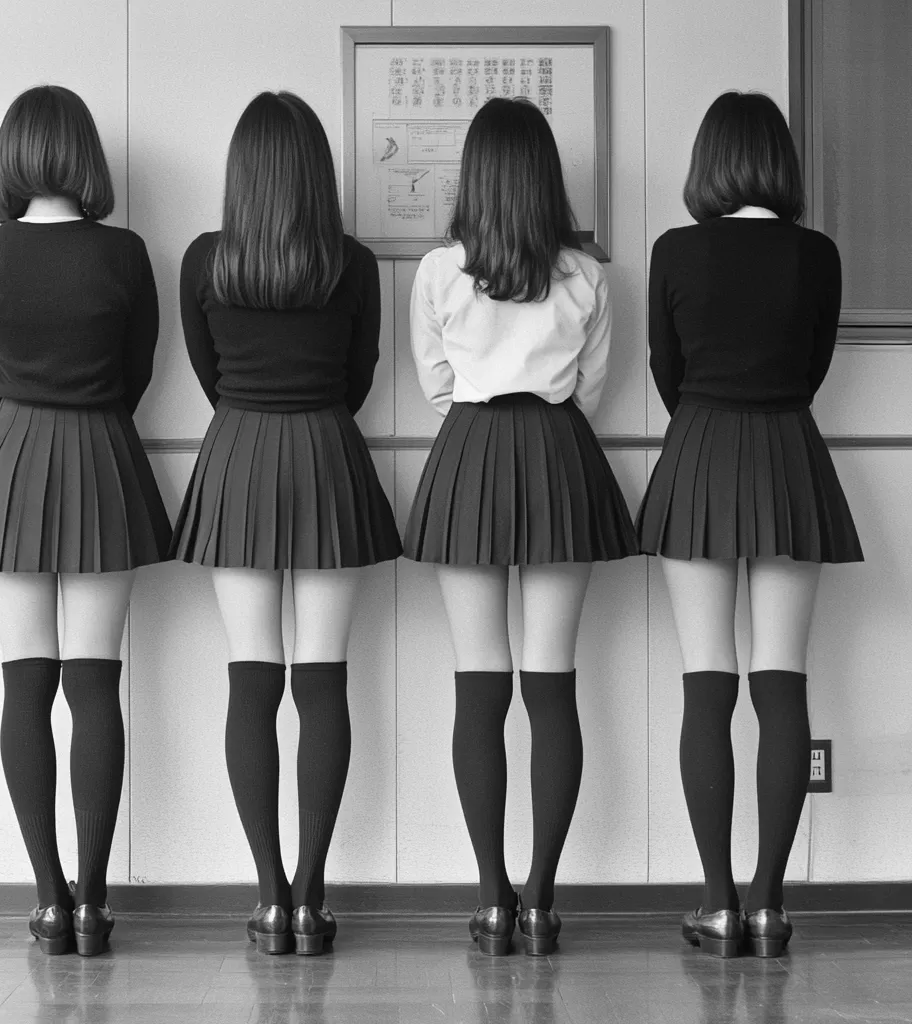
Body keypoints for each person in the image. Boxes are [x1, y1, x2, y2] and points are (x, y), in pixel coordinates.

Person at [0, 85, 171, 956]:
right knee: (94, 682)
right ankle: (96, 900)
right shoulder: (124, 253)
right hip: (104, 458)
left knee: (25, 683)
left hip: (15, 461)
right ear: (86, 159)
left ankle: (47, 898)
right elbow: (138, 369)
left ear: (11, 157)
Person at [404, 97, 638, 956]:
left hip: (468, 453)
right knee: (553, 684)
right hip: (558, 457)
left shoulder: (438, 269)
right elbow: (591, 385)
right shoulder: (586, 273)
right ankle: (541, 899)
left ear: (475, 173)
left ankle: (492, 898)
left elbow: (434, 383)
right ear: (547, 176)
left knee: (479, 684)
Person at [172, 91, 402, 955]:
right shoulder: (353, 262)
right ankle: (312, 897)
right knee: (323, 680)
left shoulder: (206, 260)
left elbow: (207, 369)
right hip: (328, 458)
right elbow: (360, 373)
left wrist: (249, 414)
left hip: (235, 460)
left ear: (241, 171)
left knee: (250, 680)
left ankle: (268, 898)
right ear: (318, 171)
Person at [636, 90, 862, 958]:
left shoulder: (675, 250)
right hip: (789, 457)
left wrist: (705, 414)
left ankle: (719, 903)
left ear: (709, 162)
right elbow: (814, 367)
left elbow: (666, 366)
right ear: (781, 162)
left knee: (707, 682)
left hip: (697, 453)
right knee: (782, 682)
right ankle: (770, 905)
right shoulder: (818, 255)